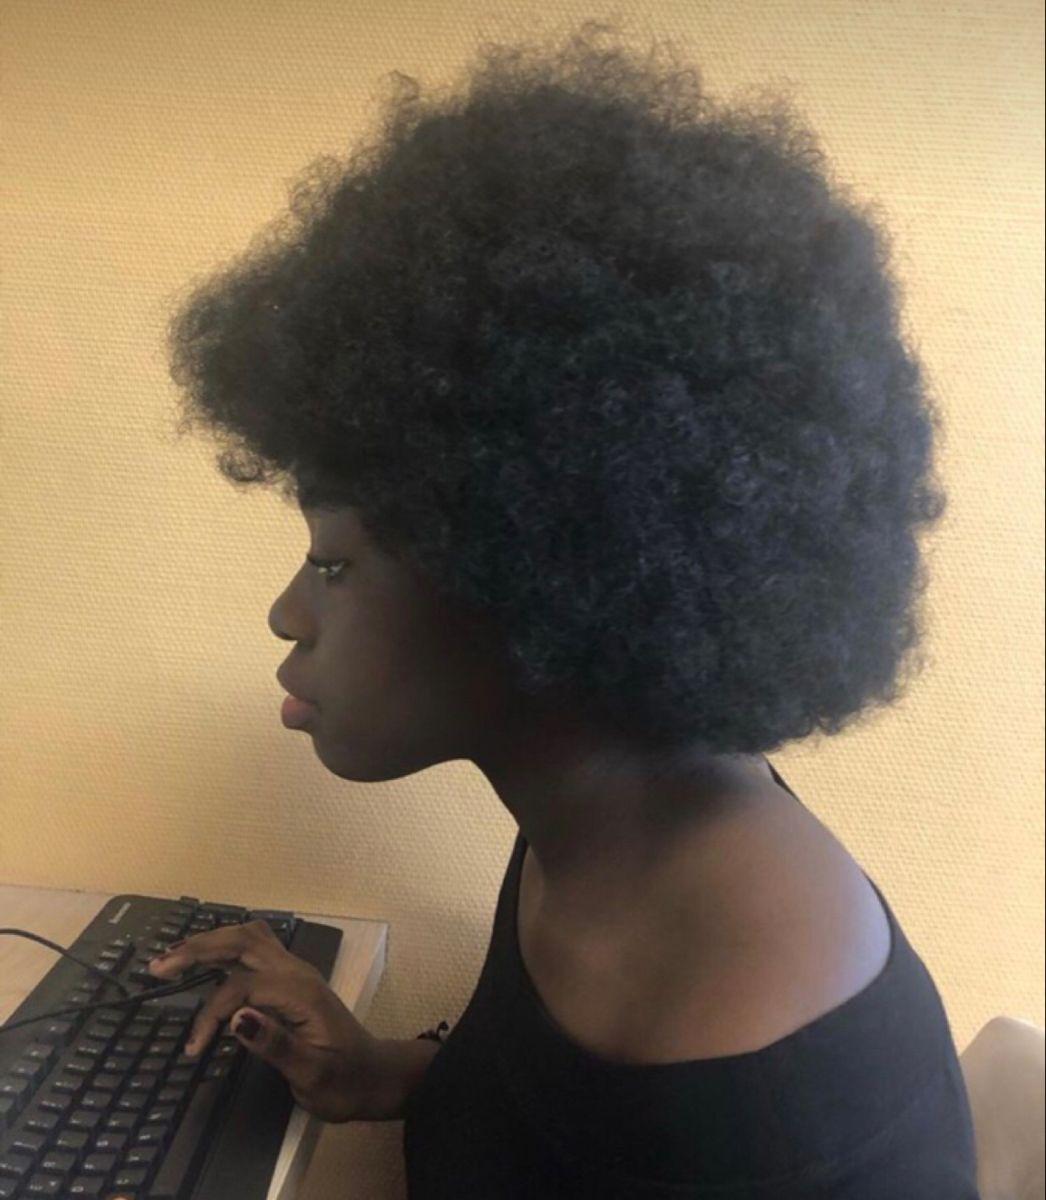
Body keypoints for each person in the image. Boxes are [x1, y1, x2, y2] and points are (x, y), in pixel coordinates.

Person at [157, 18, 979, 1197]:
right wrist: (384, 1072)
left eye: (333, 565)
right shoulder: (604, 825)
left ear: (529, 571)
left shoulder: (765, 1113)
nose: (288, 614)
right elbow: (566, 1133)